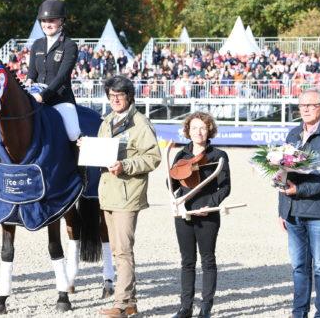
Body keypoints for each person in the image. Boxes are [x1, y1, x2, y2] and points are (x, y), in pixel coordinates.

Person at [93, 75, 161, 317]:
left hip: (127, 193)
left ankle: (121, 304)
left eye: (118, 96)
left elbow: (153, 158)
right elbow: (101, 152)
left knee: (123, 250)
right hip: (109, 192)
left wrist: (126, 165)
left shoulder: (141, 124)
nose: (114, 100)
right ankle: (130, 303)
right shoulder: (107, 121)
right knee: (116, 251)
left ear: (129, 96)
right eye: (111, 96)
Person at [278, 88, 320, 318]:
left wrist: (301, 189)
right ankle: (299, 312)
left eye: (311, 105)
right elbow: (283, 172)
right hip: (293, 211)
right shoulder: (293, 134)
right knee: (299, 267)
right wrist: (282, 209)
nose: (305, 109)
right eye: (301, 105)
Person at [170, 112, 231, 318]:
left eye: (203, 128)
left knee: (207, 260)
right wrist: (175, 197)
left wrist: (210, 204)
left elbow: (225, 187)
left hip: (208, 215)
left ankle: (205, 308)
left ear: (209, 130)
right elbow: (172, 184)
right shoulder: (181, 155)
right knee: (187, 261)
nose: (198, 132)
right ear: (187, 131)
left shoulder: (218, 156)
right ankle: (185, 307)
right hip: (184, 213)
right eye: (194, 127)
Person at [26, 0, 80, 142]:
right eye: (44, 21)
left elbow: (62, 76)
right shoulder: (37, 45)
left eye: (51, 20)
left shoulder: (69, 46)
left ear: (61, 21)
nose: (47, 24)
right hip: (36, 97)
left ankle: (78, 164)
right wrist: (28, 83)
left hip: (60, 99)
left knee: (73, 134)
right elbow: (32, 73)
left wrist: (44, 95)